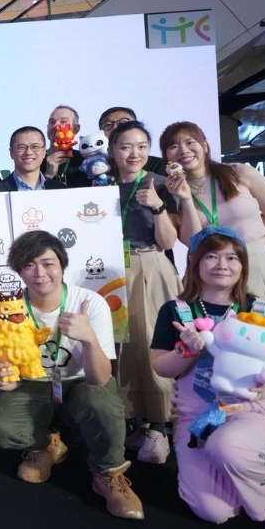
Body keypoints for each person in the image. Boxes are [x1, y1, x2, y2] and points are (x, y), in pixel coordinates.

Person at [151, 226, 265, 529]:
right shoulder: (175, 310)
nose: (222, 265)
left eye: (232, 258)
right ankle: (243, 471)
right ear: (195, 262)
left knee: (228, 446)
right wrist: (186, 350)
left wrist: (261, 393)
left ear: (243, 265)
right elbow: (161, 367)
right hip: (198, 416)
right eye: (211, 256)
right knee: (214, 511)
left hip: (255, 411)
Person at [0, 231, 143, 520]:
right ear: (19, 271)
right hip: (30, 383)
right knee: (1, 429)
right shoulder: (7, 307)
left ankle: (108, 473)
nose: (39, 273)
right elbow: (1, 365)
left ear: (62, 266)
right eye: (29, 265)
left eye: (48, 263)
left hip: (81, 381)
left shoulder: (90, 303)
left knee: (103, 404)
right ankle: (46, 445)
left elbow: (101, 378)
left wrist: (89, 338)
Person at [162, 121, 265, 322]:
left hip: (255, 264)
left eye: (190, 142)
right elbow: (192, 240)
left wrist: (250, 246)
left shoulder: (240, 173)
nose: (183, 150)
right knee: (210, 335)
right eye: (173, 146)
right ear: (167, 157)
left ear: (205, 145)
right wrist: (185, 199)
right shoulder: (171, 191)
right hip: (209, 272)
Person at [109, 121, 181, 464]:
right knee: (121, 347)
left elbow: (168, 242)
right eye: (125, 147)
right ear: (113, 151)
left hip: (149, 265)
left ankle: (160, 427)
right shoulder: (102, 187)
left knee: (154, 343)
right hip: (110, 272)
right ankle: (136, 418)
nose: (133, 153)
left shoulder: (161, 184)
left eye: (141, 146)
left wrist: (157, 206)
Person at [0, 126, 69, 192]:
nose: (28, 152)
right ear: (11, 153)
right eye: (21, 147)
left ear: (44, 151)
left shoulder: (60, 190)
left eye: (35, 146)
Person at [99, 107, 165, 173]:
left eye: (123, 122)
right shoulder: (96, 167)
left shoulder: (159, 166)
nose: (115, 127)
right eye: (108, 125)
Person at [43, 105, 90, 187]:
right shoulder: (36, 161)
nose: (56, 125)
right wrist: (48, 175)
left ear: (76, 129)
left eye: (63, 121)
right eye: (52, 122)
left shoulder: (85, 160)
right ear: (47, 127)